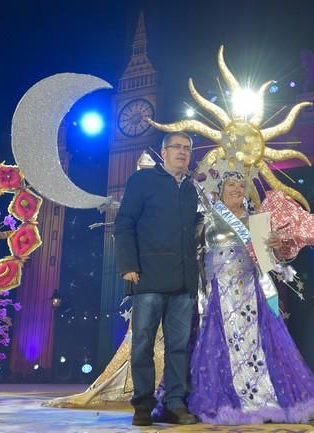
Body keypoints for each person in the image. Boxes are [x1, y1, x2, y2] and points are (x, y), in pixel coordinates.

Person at [188, 172, 314, 424]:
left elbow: (271, 262)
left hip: (251, 294)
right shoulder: (207, 218)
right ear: (220, 190)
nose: (237, 188)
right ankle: (228, 399)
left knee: (261, 342)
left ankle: (264, 396)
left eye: (240, 184)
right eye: (230, 184)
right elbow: (194, 254)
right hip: (219, 296)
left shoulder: (256, 221)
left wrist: (276, 244)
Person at [114, 131, 200, 426]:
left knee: (178, 346)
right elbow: (124, 223)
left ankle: (175, 404)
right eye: (176, 147)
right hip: (147, 276)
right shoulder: (143, 180)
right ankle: (142, 404)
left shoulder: (191, 188)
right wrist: (128, 264)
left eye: (187, 148)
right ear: (163, 152)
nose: (182, 152)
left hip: (184, 281)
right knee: (143, 344)